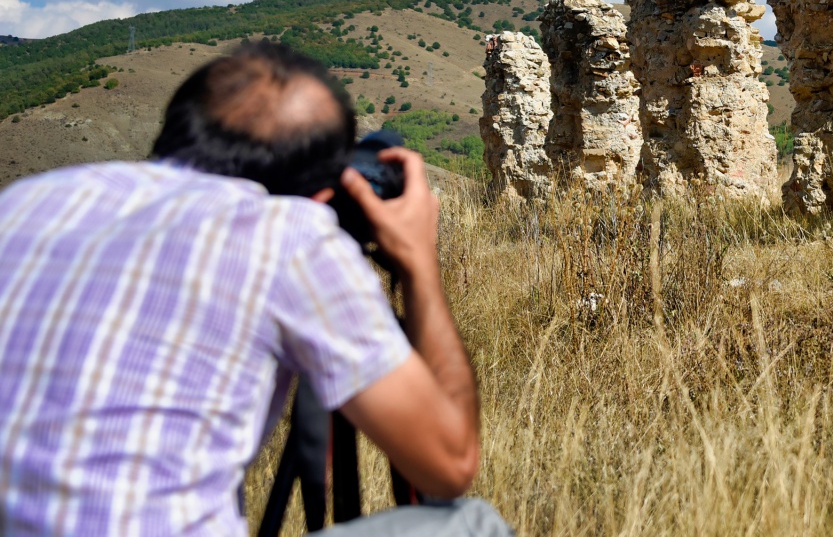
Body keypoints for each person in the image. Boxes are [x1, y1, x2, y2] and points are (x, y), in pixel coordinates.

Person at [0, 41, 511, 535]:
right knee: (470, 525)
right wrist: (419, 262)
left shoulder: (24, 204)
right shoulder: (288, 236)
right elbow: (448, 464)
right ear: (321, 193)